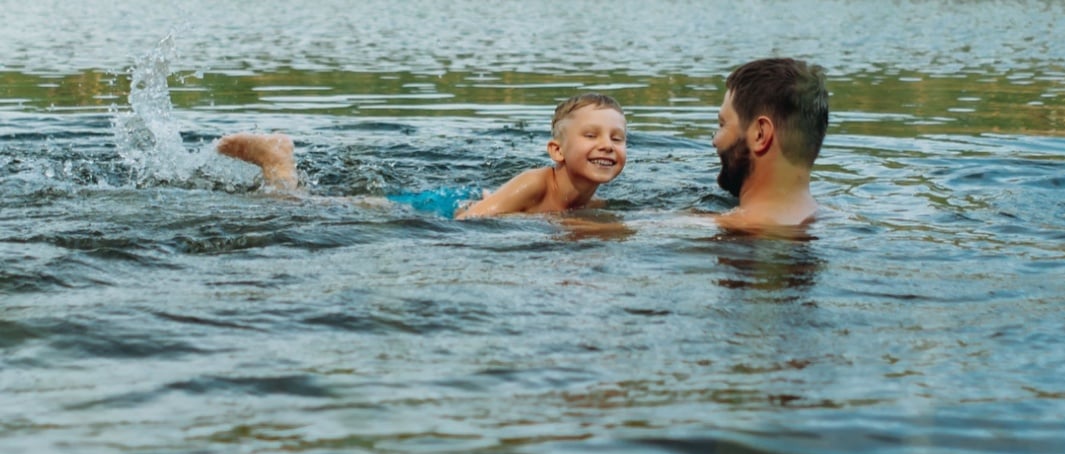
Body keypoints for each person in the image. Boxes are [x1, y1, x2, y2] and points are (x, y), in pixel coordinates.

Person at [215, 93, 628, 219]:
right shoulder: (534, 181)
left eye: (618, 137)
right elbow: (471, 221)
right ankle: (277, 161)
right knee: (308, 209)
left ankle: (280, 163)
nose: (607, 144)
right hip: (442, 208)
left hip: (462, 204)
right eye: (591, 135)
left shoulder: (591, 202)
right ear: (556, 150)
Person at [711, 58, 829, 231]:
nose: (715, 140)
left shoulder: (698, 227)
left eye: (723, 125)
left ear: (760, 134)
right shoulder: (835, 218)